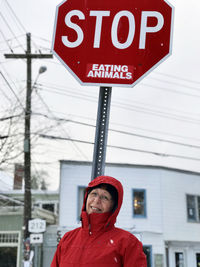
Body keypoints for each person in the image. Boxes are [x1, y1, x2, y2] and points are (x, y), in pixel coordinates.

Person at [51, 175, 147, 267]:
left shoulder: (128, 243)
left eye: (105, 197)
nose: (96, 200)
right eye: (94, 194)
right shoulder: (68, 239)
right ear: (86, 198)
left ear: (113, 206)